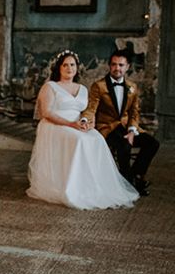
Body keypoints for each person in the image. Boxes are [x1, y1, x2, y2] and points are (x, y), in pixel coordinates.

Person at [26, 50, 138, 209]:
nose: (69, 68)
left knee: (97, 138)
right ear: (59, 68)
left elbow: (88, 112)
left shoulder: (83, 89)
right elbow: (46, 113)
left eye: (72, 65)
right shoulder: (50, 87)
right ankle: (72, 187)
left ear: (77, 68)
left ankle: (92, 185)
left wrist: (89, 124)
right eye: (65, 65)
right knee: (79, 140)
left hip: (77, 124)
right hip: (55, 125)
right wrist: (71, 125)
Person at [81, 49, 160, 196]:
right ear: (109, 66)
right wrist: (85, 119)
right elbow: (91, 107)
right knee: (124, 146)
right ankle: (128, 184)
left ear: (128, 67)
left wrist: (131, 131)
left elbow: (134, 112)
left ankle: (134, 177)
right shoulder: (99, 86)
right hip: (107, 128)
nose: (117, 68)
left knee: (153, 143)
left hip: (125, 126)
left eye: (121, 65)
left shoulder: (132, 87)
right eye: (114, 64)